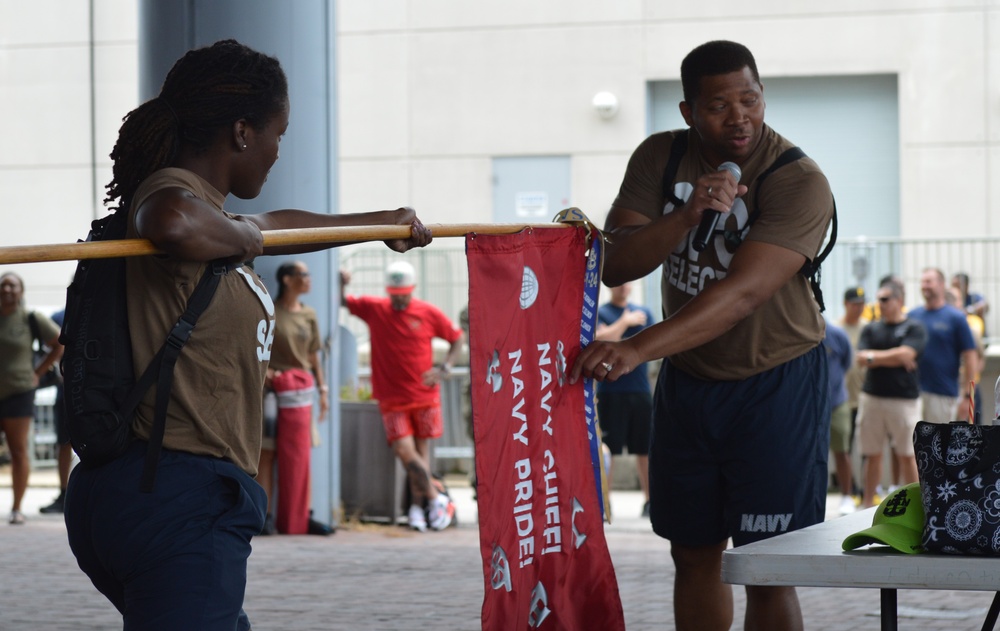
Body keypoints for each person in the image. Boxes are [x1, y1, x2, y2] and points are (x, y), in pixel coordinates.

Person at [62, 39, 432, 631]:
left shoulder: (216, 214)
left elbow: (273, 226)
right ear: (240, 132)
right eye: (277, 134)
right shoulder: (169, 194)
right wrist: (249, 240)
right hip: (177, 495)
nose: (278, 151)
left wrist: (373, 224)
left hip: (160, 495)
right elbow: (173, 221)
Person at [570, 40, 835, 631]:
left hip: (776, 382)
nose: (738, 116)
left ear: (763, 96)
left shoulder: (799, 180)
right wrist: (685, 215)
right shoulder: (660, 157)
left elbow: (740, 295)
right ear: (690, 111)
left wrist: (635, 348)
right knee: (692, 554)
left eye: (750, 99)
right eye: (719, 104)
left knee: (767, 564)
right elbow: (613, 264)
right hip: (690, 382)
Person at [340, 261, 463, 532]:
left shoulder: (427, 312)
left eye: (404, 294)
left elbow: (456, 337)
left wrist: (445, 368)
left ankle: (418, 509)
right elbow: (341, 301)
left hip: (425, 394)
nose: (399, 299)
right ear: (388, 291)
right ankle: (436, 499)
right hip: (392, 397)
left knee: (421, 454)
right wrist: (342, 281)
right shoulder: (375, 309)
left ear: (412, 289)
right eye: (395, 294)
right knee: (404, 450)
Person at [256, 260, 332, 535]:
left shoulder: (309, 314)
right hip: (273, 392)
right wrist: (267, 373)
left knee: (301, 454)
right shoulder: (270, 311)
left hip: (301, 392)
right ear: (288, 280)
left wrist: (323, 389)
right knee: (268, 451)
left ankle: (302, 514)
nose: (310, 279)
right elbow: (256, 347)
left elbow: (314, 355)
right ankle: (266, 515)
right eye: (304, 274)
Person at [855, 279, 926, 508]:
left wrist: (874, 357)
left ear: (899, 301)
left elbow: (908, 354)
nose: (880, 304)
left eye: (885, 299)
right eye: (878, 300)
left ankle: (916, 507)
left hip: (904, 400)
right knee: (872, 454)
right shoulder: (870, 328)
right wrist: (894, 356)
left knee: (908, 455)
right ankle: (867, 504)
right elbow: (860, 358)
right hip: (873, 398)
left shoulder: (914, 328)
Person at [0, 272, 63, 525]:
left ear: (21, 291)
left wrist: (38, 372)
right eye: (3, 285)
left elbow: (60, 344)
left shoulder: (30, 318)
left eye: (12, 285)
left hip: (19, 392)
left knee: (18, 451)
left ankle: (16, 508)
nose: (7, 289)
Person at [595, 282, 654, 517]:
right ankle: (605, 502)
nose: (623, 286)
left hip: (639, 390)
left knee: (645, 449)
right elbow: (600, 340)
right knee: (609, 449)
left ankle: (650, 501)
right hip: (610, 390)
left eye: (627, 282)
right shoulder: (602, 312)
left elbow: (648, 344)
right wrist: (624, 323)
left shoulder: (643, 313)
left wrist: (623, 326)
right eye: (618, 282)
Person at [908, 268, 977, 423]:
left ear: (941, 284)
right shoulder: (913, 316)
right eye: (922, 282)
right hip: (913, 394)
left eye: (928, 281)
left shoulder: (956, 318)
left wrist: (968, 396)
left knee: (939, 445)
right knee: (912, 445)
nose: (924, 286)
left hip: (942, 394)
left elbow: (970, 357)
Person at [39, 307, 71, 514]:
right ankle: (64, 493)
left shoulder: (103, 307)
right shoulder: (60, 317)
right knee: (64, 442)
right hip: (67, 387)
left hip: (98, 386)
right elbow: (48, 346)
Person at [822, 320, 854, 515]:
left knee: (842, 451)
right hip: (810, 406)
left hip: (837, 402)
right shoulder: (800, 331)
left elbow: (847, 362)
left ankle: (847, 496)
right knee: (811, 455)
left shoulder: (836, 333)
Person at [945, 286, 985, 422]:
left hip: (968, 388)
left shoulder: (970, 329)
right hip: (946, 388)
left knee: (972, 434)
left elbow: (979, 359)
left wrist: (968, 390)